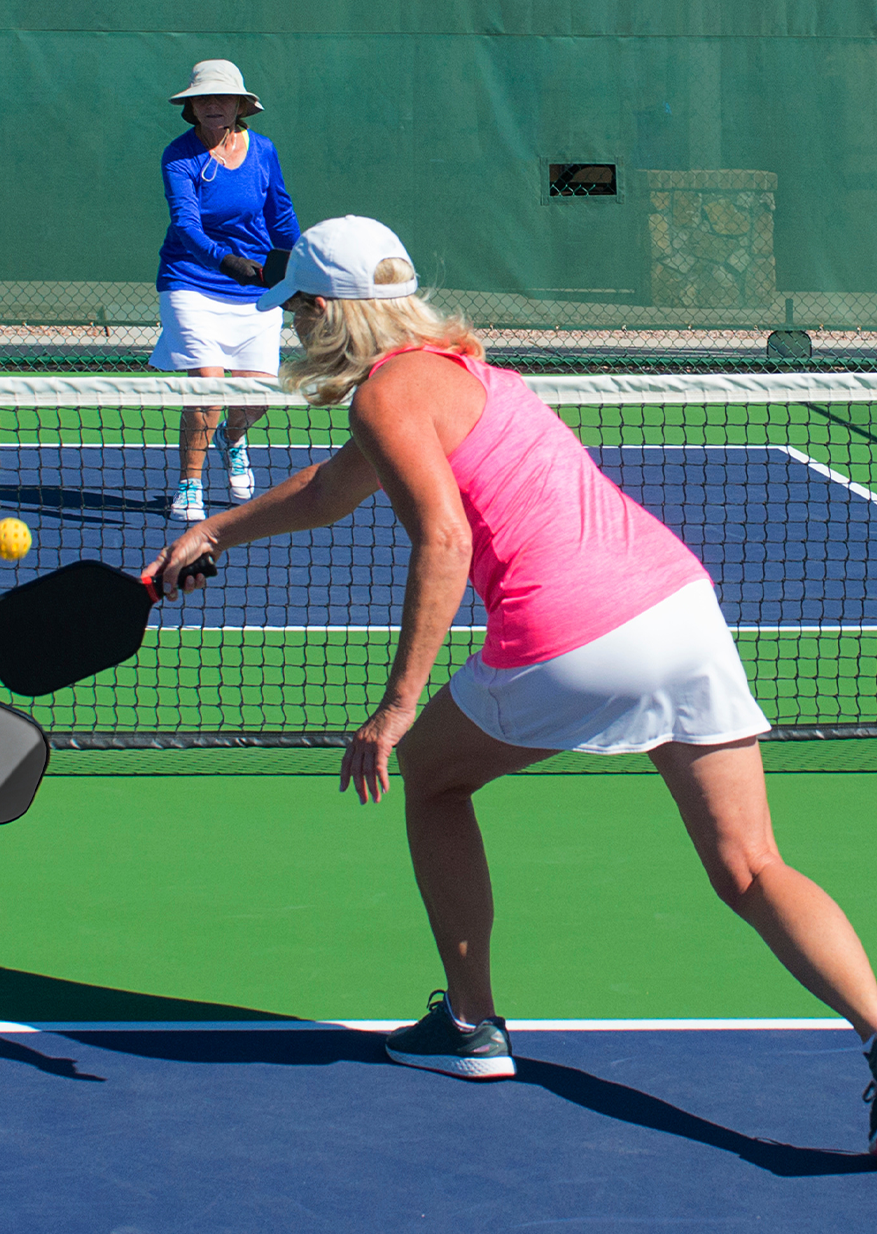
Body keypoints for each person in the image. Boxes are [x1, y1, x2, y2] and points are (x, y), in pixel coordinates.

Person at [145, 215, 877, 1152]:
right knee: (750, 866)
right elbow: (330, 493)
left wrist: (397, 706)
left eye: (296, 309)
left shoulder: (387, 396)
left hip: (572, 633)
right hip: (680, 609)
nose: (292, 326)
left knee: (433, 777)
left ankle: (470, 1024)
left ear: (326, 309)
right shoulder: (460, 373)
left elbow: (443, 542)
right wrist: (214, 532)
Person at [154, 59, 300, 522]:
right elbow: (186, 225)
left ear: (240, 105)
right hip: (191, 280)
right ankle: (190, 485)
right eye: (203, 98)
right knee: (208, 390)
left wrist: (298, 268)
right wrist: (226, 262)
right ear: (191, 107)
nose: (212, 105)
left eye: (222, 98)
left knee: (254, 397)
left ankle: (233, 439)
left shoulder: (263, 151)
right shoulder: (178, 156)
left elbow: (280, 215)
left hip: (255, 287)